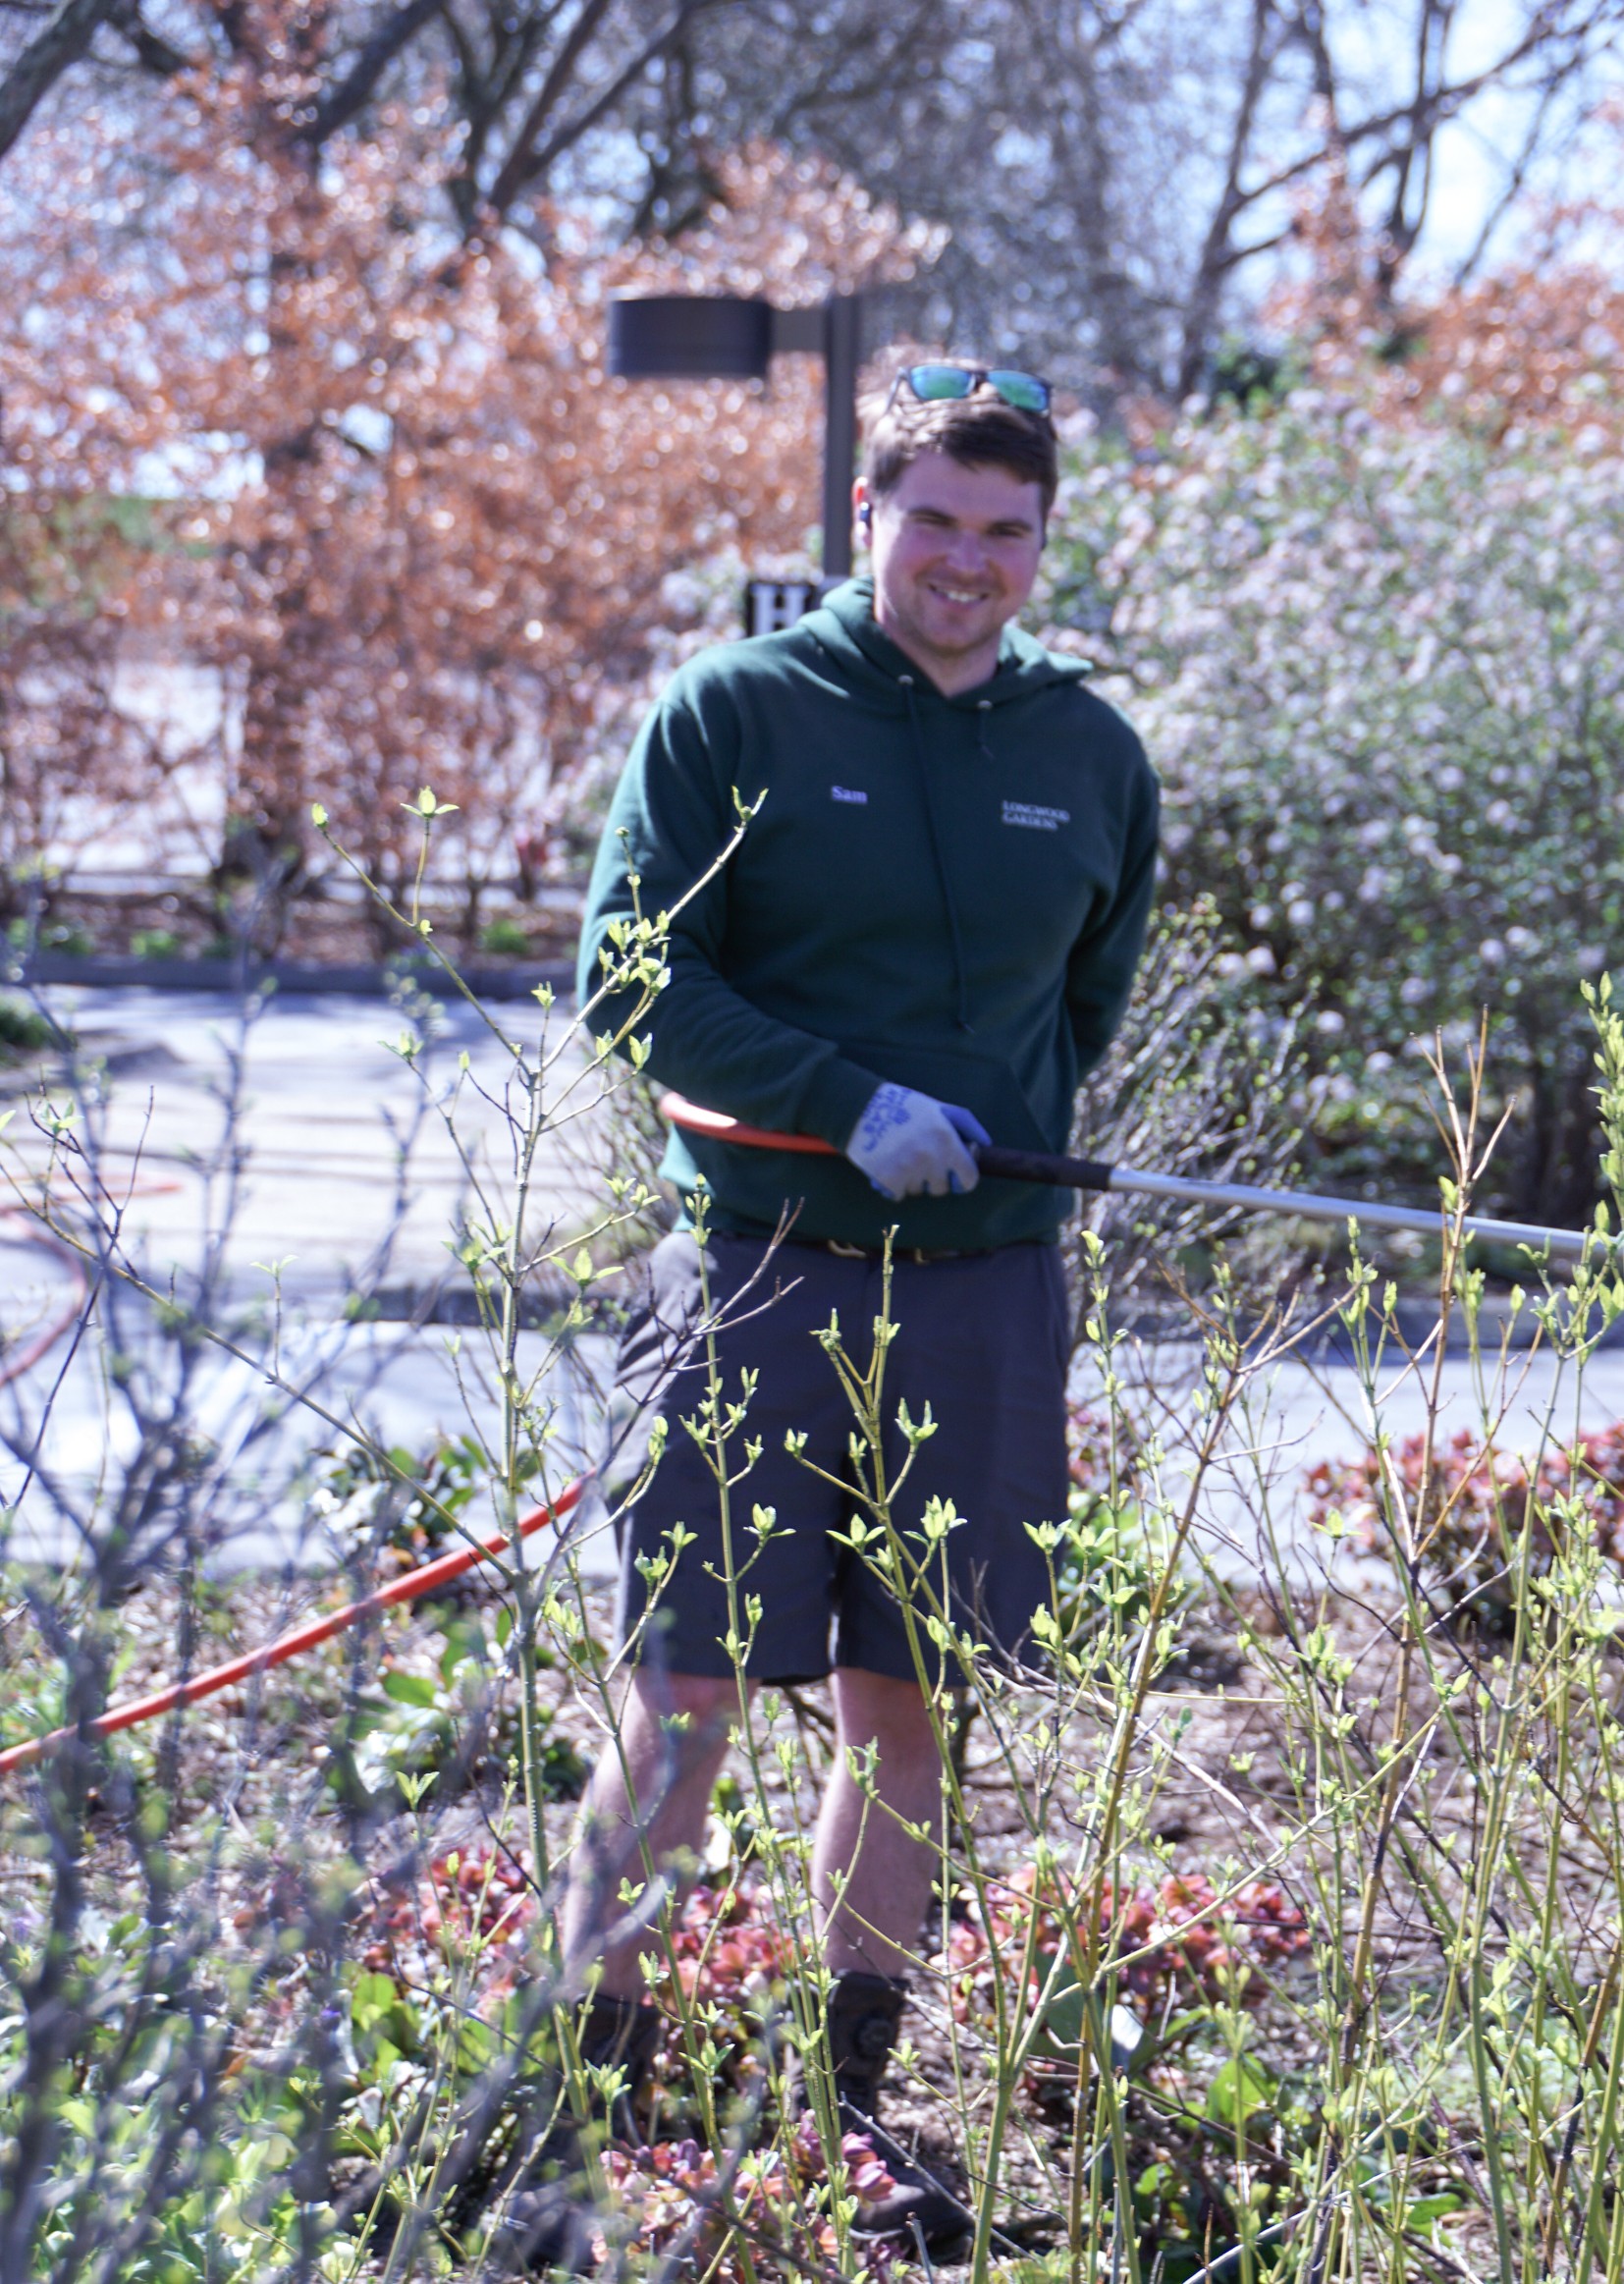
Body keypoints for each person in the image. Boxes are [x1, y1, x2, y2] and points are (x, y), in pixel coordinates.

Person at [528, 361, 1159, 2264]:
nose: (966, 562)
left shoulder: (1090, 749)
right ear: (867, 513)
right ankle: (573, 2112)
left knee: (907, 1708)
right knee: (687, 1696)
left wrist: (976, 1131)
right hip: (751, 1276)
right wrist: (842, 1105)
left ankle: (844, 2104)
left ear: (1038, 542)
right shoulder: (735, 713)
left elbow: (1077, 1009)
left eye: (1004, 531)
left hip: (978, 1303)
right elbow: (629, 976)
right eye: (932, 519)